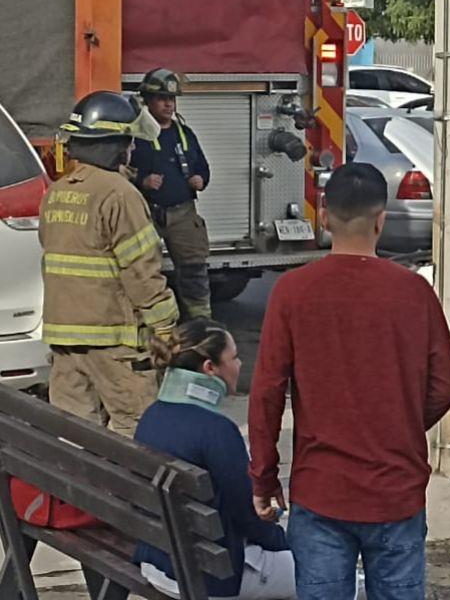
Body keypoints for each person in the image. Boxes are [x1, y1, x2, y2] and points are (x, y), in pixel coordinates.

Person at [248, 162, 450, 600]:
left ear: (324, 217)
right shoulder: (413, 291)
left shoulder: (292, 292)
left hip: (321, 488)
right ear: (381, 220)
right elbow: (446, 385)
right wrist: (397, 426)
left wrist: (264, 479)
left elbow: (267, 393)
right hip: (395, 491)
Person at [40, 91, 179, 436]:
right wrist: (165, 329)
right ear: (114, 145)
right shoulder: (119, 194)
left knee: (75, 440)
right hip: (114, 345)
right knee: (136, 436)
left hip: (64, 344)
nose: (131, 151)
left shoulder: (56, 192)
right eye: (128, 143)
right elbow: (142, 272)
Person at [135, 319, 293, 600]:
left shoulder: (152, 415)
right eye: (234, 357)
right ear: (210, 368)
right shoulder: (216, 431)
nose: (240, 364)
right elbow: (250, 517)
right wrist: (284, 542)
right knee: (329, 576)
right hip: (212, 576)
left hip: (157, 563)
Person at [129, 68, 213, 320]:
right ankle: (148, 327)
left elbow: (203, 167)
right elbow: (119, 174)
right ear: (148, 101)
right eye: (162, 98)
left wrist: (201, 179)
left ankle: (202, 326)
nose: (169, 104)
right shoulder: (134, 137)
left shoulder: (184, 134)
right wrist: (142, 180)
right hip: (146, 215)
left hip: (183, 214)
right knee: (142, 273)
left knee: (194, 272)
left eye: (172, 99)